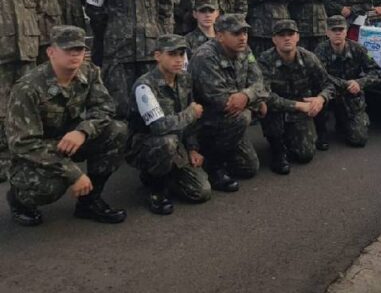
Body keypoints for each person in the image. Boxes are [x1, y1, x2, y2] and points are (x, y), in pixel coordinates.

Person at [5, 26, 128, 226]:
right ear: (51, 52)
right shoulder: (28, 88)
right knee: (48, 187)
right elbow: (23, 144)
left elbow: (105, 107)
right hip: (39, 152)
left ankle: (89, 201)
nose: (75, 55)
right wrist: (73, 172)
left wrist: (83, 130)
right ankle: (19, 200)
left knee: (117, 131)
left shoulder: (89, 72)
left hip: (73, 140)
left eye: (79, 49)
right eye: (68, 49)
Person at [86, 0, 174, 118]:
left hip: (150, 52)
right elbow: (94, 9)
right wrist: (113, 30)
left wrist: (162, 39)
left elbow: (166, 10)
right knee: (120, 106)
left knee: (153, 105)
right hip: (118, 53)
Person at [127, 34, 211, 214]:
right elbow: (158, 127)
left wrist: (192, 148)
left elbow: (191, 123)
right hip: (146, 144)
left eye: (181, 54)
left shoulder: (185, 79)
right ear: (158, 56)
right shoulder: (144, 85)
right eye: (172, 54)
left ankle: (168, 173)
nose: (178, 60)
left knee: (201, 192)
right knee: (167, 141)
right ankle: (156, 189)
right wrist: (190, 113)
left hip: (176, 142)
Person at [188, 14, 267, 192]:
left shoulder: (245, 50)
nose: (243, 37)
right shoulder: (205, 57)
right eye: (236, 33)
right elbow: (221, 101)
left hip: (229, 117)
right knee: (242, 117)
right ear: (220, 36)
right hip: (206, 120)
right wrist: (254, 99)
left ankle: (221, 152)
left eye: (245, 32)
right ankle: (213, 166)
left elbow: (260, 82)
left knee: (249, 168)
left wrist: (248, 96)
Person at [0, 0, 44, 183]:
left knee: (27, 107)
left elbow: (38, 6)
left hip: (26, 51)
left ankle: (26, 156)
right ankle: (4, 158)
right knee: (2, 110)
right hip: (1, 54)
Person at [258, 19, 335, 170]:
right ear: (274, 39)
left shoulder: (308, 58)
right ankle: (277, 148)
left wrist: (321, 98)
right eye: (281, 35)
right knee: (265, 107)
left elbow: (329, 84)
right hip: (278, 110)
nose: (287, 38)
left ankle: (297, 135)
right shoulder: (265, 61)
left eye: (291, 34)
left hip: (301, 111)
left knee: (305, 155)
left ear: (297, 37)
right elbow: (265, 95)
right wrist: (299, 106)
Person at [314, 15, 381, 148]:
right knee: (316, 93)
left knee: (358, 139)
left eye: (341, 29)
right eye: (334, 30)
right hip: (329, 94)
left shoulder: (358, 49)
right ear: (327, 33)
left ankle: (349, 119)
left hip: (350, 96)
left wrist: (359, 82)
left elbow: (377, 72)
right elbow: (319, 75)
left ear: (346, 31)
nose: (338, 33)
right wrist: (344, 84)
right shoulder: (320, 50)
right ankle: (321, 130)